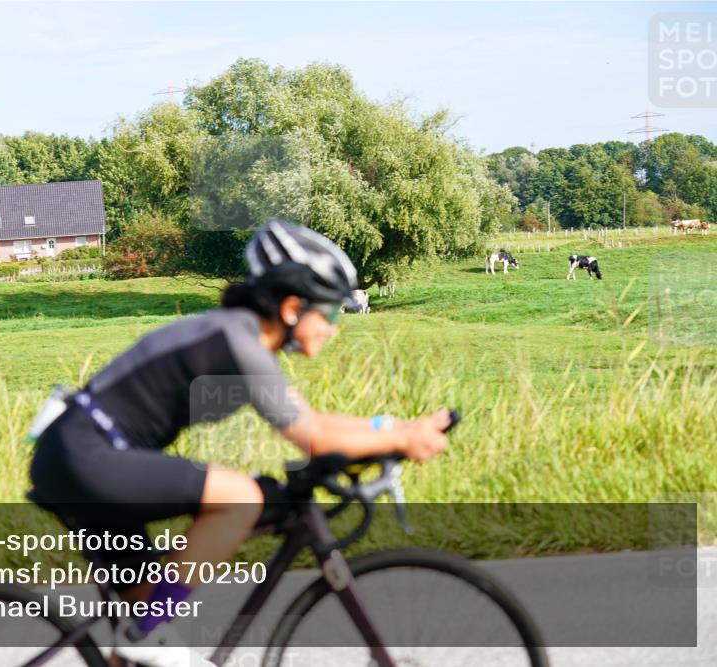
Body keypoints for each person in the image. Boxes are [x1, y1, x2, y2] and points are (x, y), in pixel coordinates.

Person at [29, 219, 451, 667]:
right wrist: (402, 435)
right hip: (86, 454)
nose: (335, 327)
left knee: (138, 633)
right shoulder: (237, 342)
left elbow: (312, 421)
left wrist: (397, 429)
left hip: (82, 455)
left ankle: (138, 635)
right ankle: (141, 632)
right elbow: (312, 435)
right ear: (292, 308)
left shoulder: (241, 339)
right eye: (330, 313)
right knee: (240, 500)